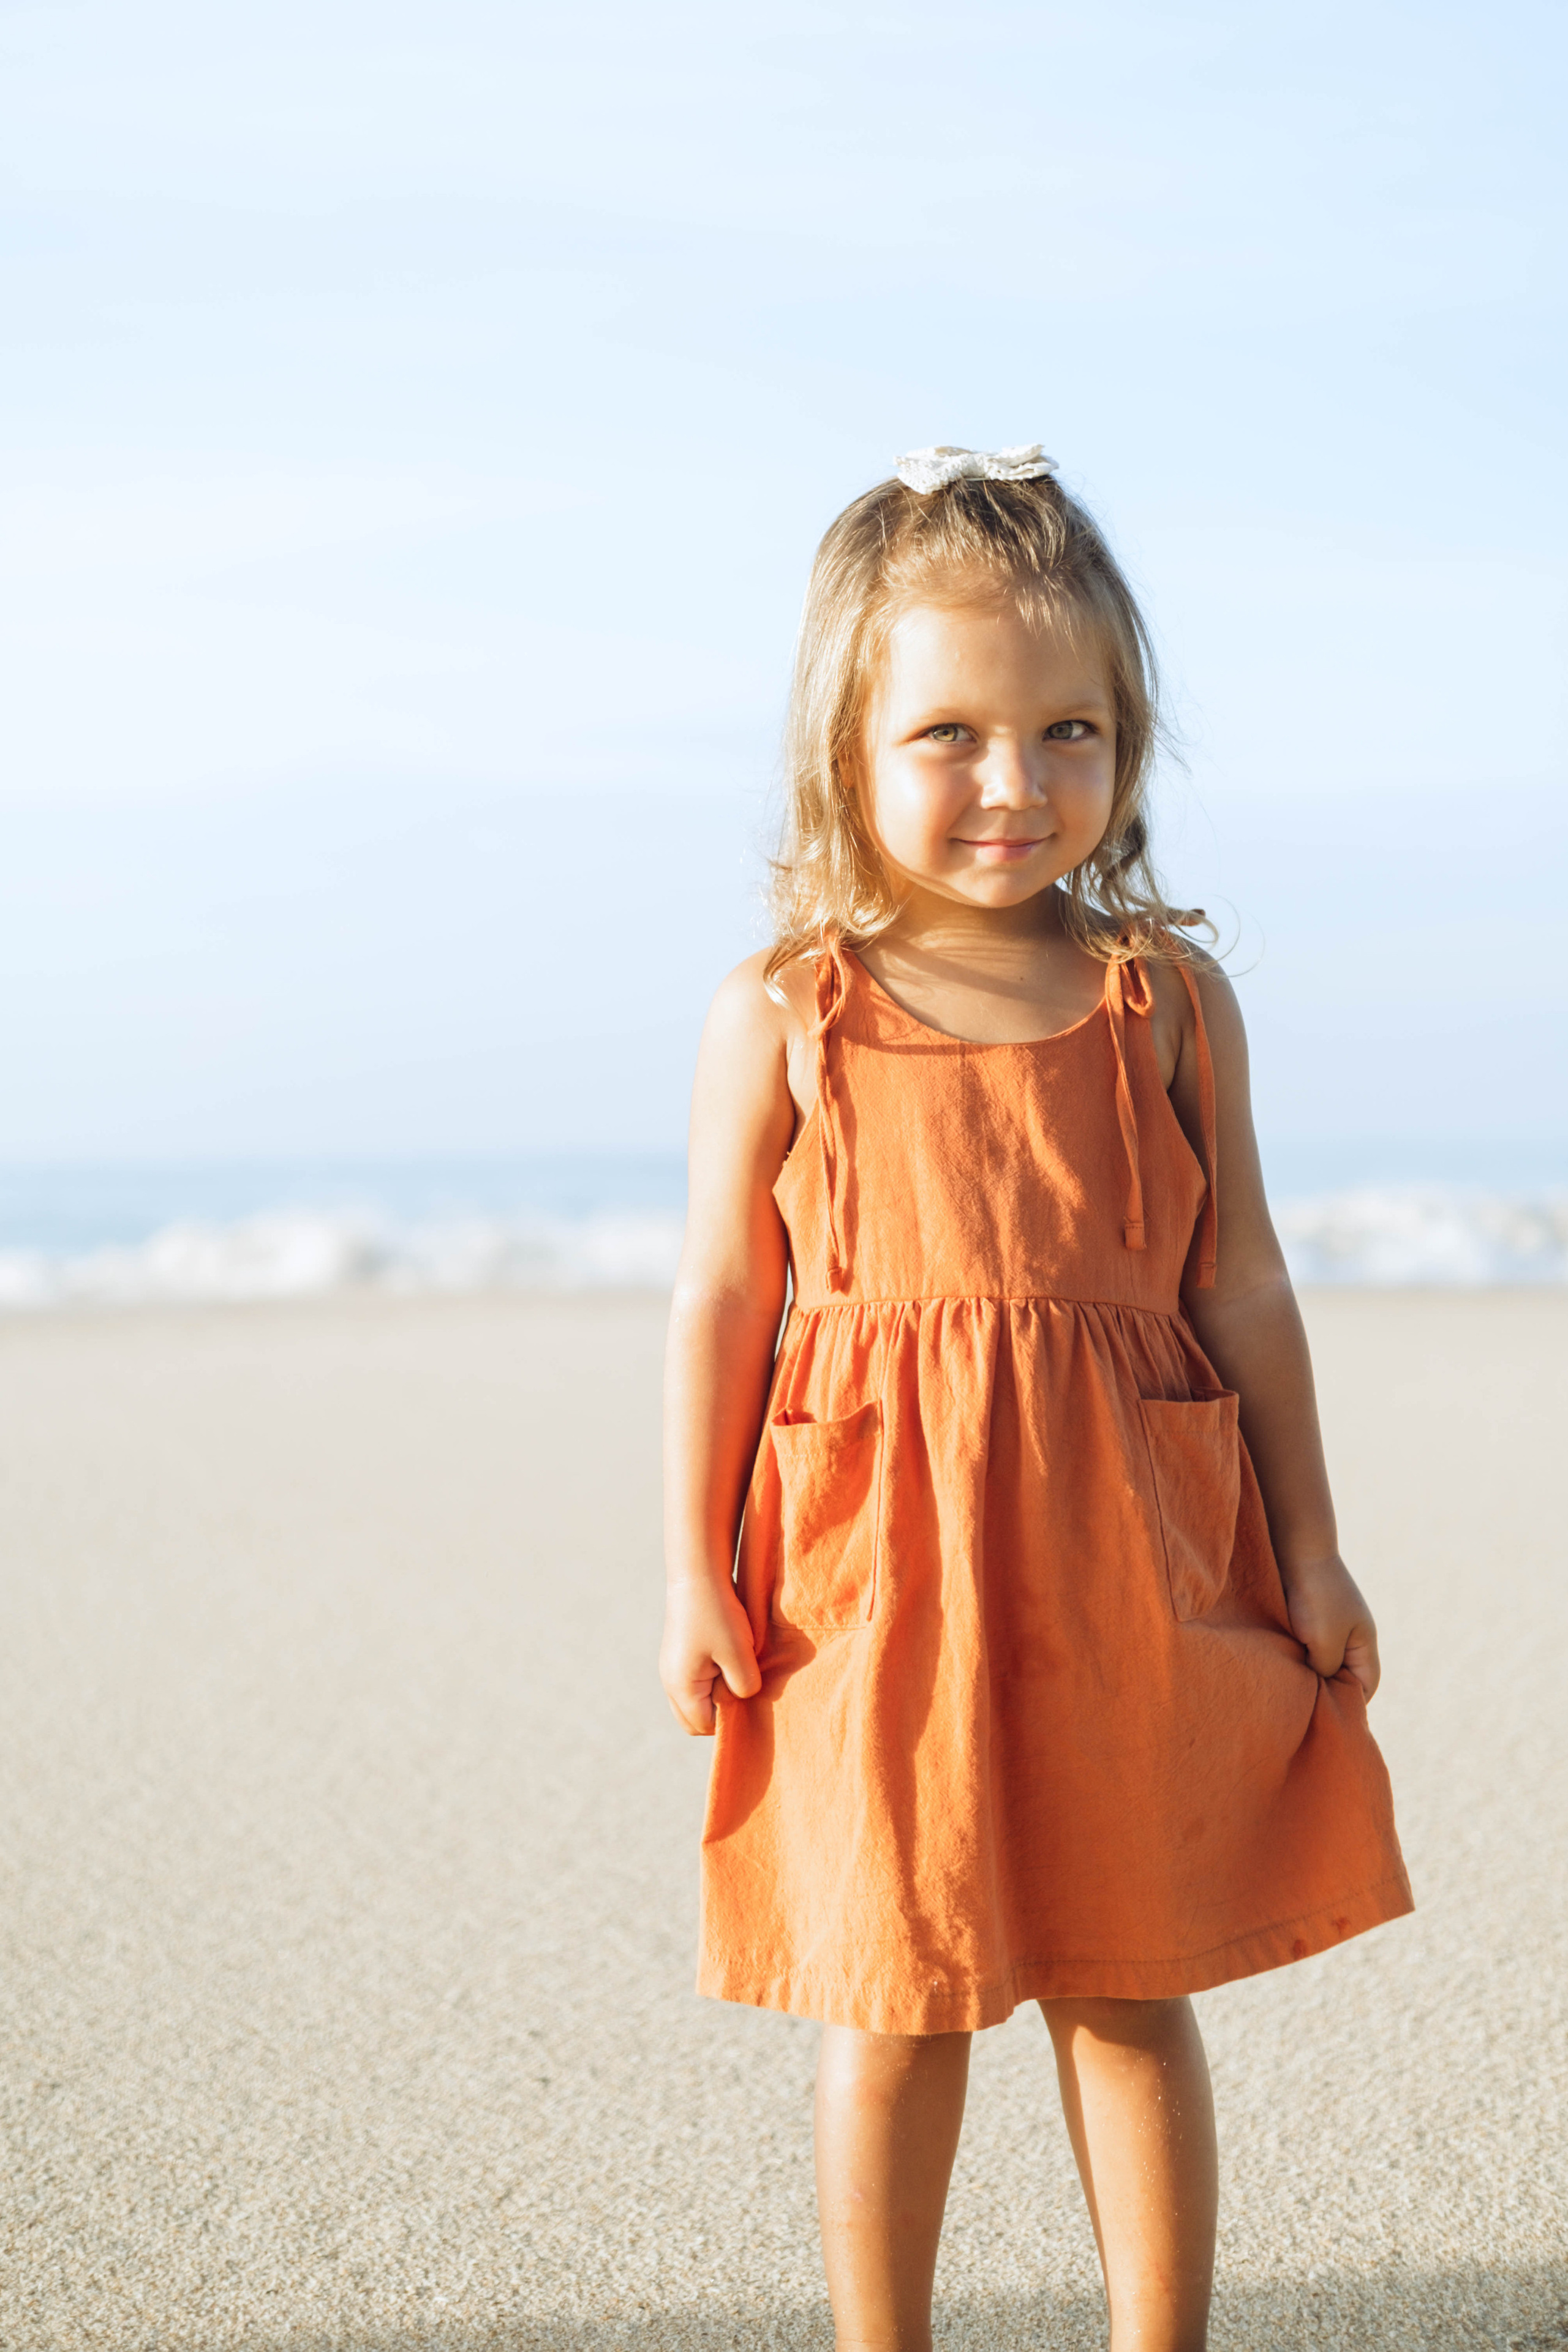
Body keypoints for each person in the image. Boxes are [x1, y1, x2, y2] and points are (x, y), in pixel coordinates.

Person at [660, 445, 1411, 2352]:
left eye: (1068, 729)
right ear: (849, 745)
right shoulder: (787, 1009)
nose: (1015, 783)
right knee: (892, 1986)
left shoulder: (1161, 1000)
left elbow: (1239, 1277)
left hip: (1129, 1552)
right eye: (952, 734)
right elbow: (727, 1293)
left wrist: (1312, 1550)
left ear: (1129, 744)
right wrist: (692, 1565)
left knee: (1128, 1976)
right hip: (868, 1571)